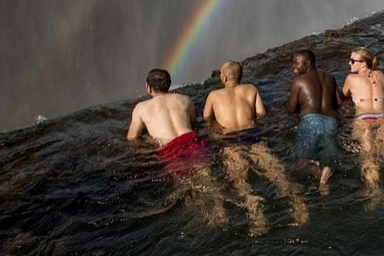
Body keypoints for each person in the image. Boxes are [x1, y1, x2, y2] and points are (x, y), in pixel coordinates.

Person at [202, 60, 309, 233]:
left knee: (240, 181)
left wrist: (215, 131)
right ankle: (299, 206)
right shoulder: (251, 89)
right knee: (277, 173)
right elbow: (261, 113)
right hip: (252, 135)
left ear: (225, 77)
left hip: (229, 140)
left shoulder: (214, 95)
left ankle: (256, 212)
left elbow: (206, 118)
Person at [127, 68, 225, 225]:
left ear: (149, 87)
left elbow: (132, 137)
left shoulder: (141, 107)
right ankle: (220, 210)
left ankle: (204, 217)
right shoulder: (185, 99)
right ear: (169, 84)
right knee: (206, 177)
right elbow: (193, 123)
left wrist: (148, 144)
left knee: (185, 184)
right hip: (191, 140)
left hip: (170, 148)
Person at [342, 47, 384, 208]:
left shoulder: (350, 78)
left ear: (363, 64)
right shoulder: (381, 75)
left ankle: (375, 191)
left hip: (364, 117)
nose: (350, 63)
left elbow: (343, 96)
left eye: (353, 61)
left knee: (368, 155)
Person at [285, 49, 344, 191]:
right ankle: (326, 176)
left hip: (311, 122)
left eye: (296, 64)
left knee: (300, 162)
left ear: (307, 63)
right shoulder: (330, 77)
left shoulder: (298, 81)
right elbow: (341, 102)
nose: (293, 68)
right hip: (331, 122)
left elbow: (291, 109)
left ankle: (319, 174)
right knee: (329, 157)